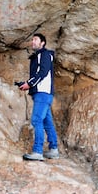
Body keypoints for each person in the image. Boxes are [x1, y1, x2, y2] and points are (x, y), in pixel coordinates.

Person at [18, 33, 59, 161]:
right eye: (32, 39)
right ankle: (54, 149)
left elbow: (42, 73)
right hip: (43, 93)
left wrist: (29, 84)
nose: (33, 42)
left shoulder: (44, 55)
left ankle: (37, 151)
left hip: (42, 93)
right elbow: (38, 74)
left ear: (43, 43)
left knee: (36, 120)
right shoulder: (37, 56)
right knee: (47, 122)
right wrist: (26, 83)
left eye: (36, 40)